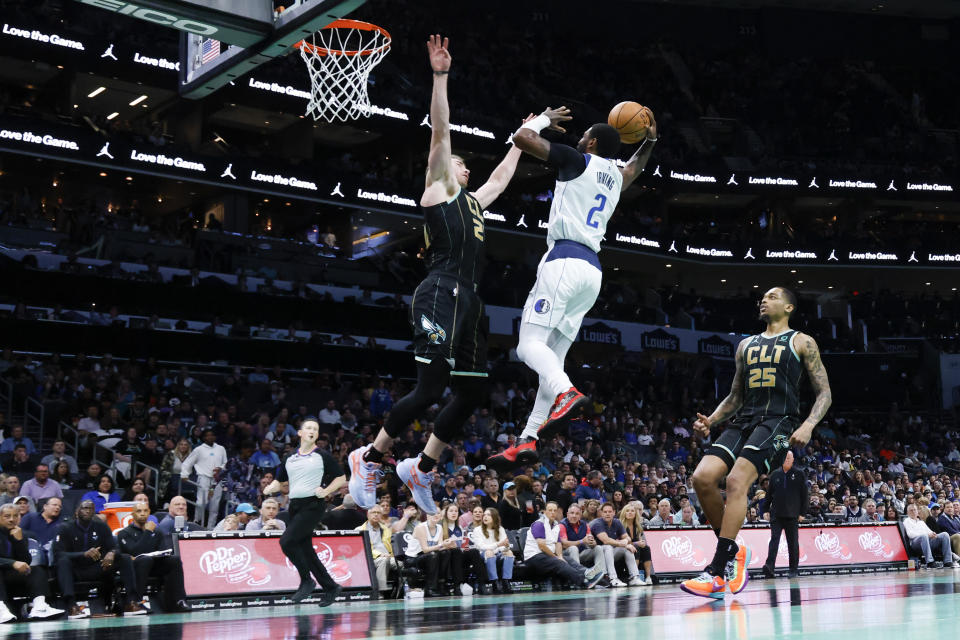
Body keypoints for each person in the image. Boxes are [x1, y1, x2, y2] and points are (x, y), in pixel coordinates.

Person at [348, 34, 526, 514]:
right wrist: (441, 76)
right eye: (460, 162)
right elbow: (441, 132)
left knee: (470, 392)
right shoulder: (438, 188)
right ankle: (369, 458)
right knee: (429, 388)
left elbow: (501, 179)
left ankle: (420, 469)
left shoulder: (474, 202)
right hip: (438, 291)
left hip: (469, 299)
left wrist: (523, 137)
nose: (466, 167)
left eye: (467, 165)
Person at [488, 103, 658, 472]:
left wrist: (544, 119)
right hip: (592, 272)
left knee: (528, 345)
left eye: (583, 137)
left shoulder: (578, 160)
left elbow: (522, 138)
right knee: (553, 357)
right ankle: (528, 439)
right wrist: (651, 140)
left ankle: (567, 392)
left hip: (564, 260)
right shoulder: (615, 176)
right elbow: (634, 167)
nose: (578, 140)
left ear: (592, 142)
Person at [681, 287, 833, 599]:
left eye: (773, 296)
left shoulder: (803, 341)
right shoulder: (745, 345)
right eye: (762, 297)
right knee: (702, 478)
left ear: (789, 306)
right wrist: (711, 419)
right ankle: (735, 552)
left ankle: (716, 570)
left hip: (780, 421)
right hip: (745, 419)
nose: (764, 300)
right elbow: (736, 396)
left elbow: (825, 393)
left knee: (737, 480)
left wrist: (808, 424)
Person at [262, 418, 345, 604]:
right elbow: (280, 480)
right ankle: (331, 587)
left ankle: (306, 580)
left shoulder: (322, 455)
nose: (312, 431)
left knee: (287, 541)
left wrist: (326, 491)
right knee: (306, 550)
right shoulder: (289, 457)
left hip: (313, 505)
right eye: (308, 428)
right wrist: (270, 488)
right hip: (295, 506)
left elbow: (341, 478)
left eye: (315, 429)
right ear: (300, 433)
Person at [54, 499, 144, 618]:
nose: (87, 511)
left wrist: (112, 553)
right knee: (63, 561)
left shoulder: (101, 526)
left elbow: (115, 547)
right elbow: (58, 554)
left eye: (90, 509)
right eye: (84, 508)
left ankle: (131, 603)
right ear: (77, 512)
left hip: (98, 567)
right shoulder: (65, 528)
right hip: (75, 570)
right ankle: (72, 606)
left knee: (125, 558)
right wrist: (83, 554)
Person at [117, 502, 190, 613]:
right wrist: (147, 532)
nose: (143, 514)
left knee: (174, 560)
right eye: (139, 511)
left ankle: (178, 600)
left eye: (145, 511)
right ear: (132, 514)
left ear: (149, 512)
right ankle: (136, 602)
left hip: (154, 566)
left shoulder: (157, 532)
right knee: (145, 560)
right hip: (134, 568)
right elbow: (135, 552)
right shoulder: (124, 533)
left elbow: (163, 551)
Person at [0, 504, 63, 622]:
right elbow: (15, 563)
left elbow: (26, 561)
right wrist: (12, 563)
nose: (11, 519)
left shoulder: (20, 533)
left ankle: (39, 607)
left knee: (36, 570)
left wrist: (18, 541)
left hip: (9, 576)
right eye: (7, 516)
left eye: (15, 516)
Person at [524, 502, 606, 589]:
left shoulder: (555, 525)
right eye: (550, 510)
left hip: (547, 556)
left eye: (555, 511)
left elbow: (558, 543)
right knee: (559, 563)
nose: (552, 512)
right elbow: (542, 546)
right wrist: (556, 557)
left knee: (568, 560)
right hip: (534, 557)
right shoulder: (539, 524)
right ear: (544, 512)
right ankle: (584, 581)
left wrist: (560, 556)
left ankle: (590, 574)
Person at [762, 451, 808, 578]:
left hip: (792, 515)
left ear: (793, 459)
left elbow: (805, 495)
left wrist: (802, 513)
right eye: (785, 457)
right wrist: (765, 510)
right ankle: (769, 567)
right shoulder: (775, 474)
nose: (787, 459)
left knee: (792, 543)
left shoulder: (799, 474)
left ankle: (793, 569)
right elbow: (769, 494)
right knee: (774, 541)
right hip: (776, 514)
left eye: (789, 457)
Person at [180, 429, 227, 528]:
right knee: (201, 502)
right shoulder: (199, 449)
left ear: (215, 437)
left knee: (214, 506)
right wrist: (185, 475)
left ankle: (210, 528)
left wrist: (221, 469)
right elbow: (187, 463)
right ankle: (197, 522)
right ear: (204, 437)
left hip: (217, 479)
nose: (210, 437)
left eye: (212, 435)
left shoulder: (221, 448)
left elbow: (225, 464)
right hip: (203, 478)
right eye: (207, 435)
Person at [590, 502, 644, 586]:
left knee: (627, 549)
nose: (607, 514)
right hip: (595, 553)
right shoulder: (597, 523)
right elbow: (606, 540)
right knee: (608, 546)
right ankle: (613, 578)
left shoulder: (617, 522)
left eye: (609, 512)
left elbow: (628, 538)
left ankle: (634, 577)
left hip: (609, 553)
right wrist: (625, 544)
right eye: (605, 512)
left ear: (614, 512)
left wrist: (626, 542)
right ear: (601, 513)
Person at [439, 501, 483, 595]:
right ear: (446, 513)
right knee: (456, 551)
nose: (454, 513)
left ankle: (481, 584)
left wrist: (463, 546)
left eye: (456, 511)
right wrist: (449, 545)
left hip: (459, 555)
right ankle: (457, 585)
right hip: (447, 556)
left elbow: (465, 545)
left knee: (474, 551)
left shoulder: (459, 527)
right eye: (451, 511)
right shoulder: (440, 527)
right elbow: (440, 545)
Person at [468, 508, 515, 594]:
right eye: (484, 515)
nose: (485, 517)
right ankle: (494, 583)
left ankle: (506, 582)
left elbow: (503, 546)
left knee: (509, 552)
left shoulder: (500, 529)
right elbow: (481, 547)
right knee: (489, 552)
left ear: (495, 517)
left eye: (488, 515)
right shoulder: (477, 530)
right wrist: (498, 545)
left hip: (497, 553)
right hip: (482, 555)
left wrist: (506, 547)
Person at [355, 504, 396, 595]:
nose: (376, 515)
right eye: (374, 512)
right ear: (368, 514)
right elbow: (364, 548)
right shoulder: (359, 530)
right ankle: (379, 592)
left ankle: (401, 591)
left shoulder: (386, 529)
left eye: (378, 513)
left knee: (403, 564)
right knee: (384, 560)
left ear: (381, 515)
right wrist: (380, 554)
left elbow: (391, 546)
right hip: (371, 559)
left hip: (389, 557)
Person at [903, 503, 956, 569]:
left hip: (926, 541)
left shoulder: (921, 522)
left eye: (915, 510)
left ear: (917, 512)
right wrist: (927, 535)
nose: (913, 511)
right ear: (907, 513)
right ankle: (930, 562)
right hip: (915, 544)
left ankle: (947, 561)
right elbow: (910, 535)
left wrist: (933, 534)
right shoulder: (906, 521)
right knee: (924, 536)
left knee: (945, 534)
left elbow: (929, 531)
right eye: (911, 510)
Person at [560, 503, 605, 575]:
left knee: (598, 548)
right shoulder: (562, 525)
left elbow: (591, 541)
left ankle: (601, 574)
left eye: (577, 514)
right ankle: (578, 576)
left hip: (581, 553)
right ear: (567, 514)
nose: (574, 516)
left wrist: (592, 543)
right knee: (573, 548)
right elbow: (565, 544)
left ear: (580, 516)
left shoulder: (585, 524)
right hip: (566, 555)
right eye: (572, 513)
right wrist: (582, 541)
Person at [620, 503, 654, 585]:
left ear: (636, 513)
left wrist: (641, 542)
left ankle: (648, 577)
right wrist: (637, 543)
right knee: (636, 547)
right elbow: (623, 542)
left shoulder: (637, 526)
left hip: (634, 547)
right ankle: (635, 576)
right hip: (623, 548)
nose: (630, 513)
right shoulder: (621, 525)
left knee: (646, 548)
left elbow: (639, 540)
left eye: (632, 511)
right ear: (624, 513)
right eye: (627, 511)